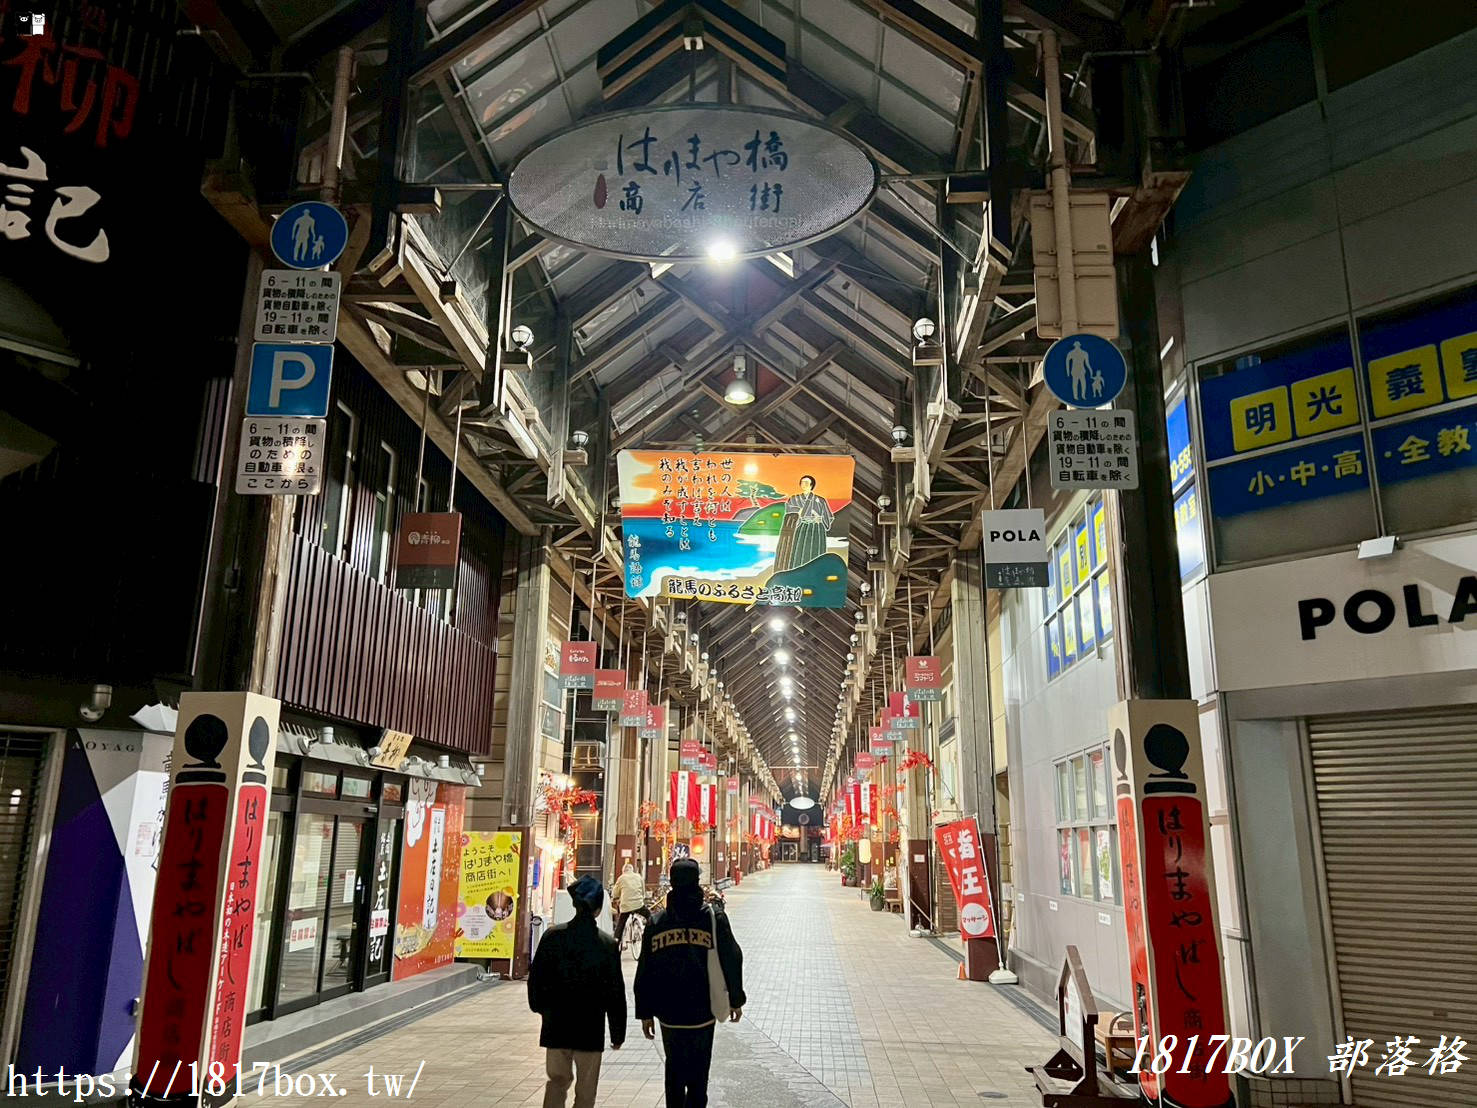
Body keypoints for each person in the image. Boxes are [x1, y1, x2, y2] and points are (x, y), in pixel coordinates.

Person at [635, 858, 746, 1108]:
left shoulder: (657, 922)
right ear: (697, 882)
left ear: (672, 884)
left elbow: (645, 969)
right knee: (699, 1072)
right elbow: (732, 957)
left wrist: (645, 1012)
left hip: (669, 1012)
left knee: (673, 1068)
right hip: (702, 1010)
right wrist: (735, 999)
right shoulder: (713, 918)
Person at [526, 877, 626, 1108]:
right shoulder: (607, 945)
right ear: (599, 908)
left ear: (574, 904)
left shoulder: (552, 937)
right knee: (586, 1091)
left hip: (556, 1025)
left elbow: (536, 980)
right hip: (590, 1029)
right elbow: (615, 993)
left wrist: (541, 1009)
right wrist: (617, 1032)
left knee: (557, 1082)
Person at [772, 474, 834, 573]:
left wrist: (820, 518)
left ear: (811, 485)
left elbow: (828, 516)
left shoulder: (820, 500)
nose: (803, 484)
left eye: (806, 482)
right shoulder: (794, 499)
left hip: (815, 529)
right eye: (802, 482)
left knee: (814, 551)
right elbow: (789, 510)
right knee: (798, 550)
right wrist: (800, 511)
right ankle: (796, 570)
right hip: (800, 528)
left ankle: (815, 571)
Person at [613, 861, 648, 945]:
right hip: (639, 905)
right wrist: (642, 897)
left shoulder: (621, 878)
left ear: (623, 871)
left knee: (621, 923)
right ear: (632, 870)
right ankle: (648, 933)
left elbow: (615, 893)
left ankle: (616, 942)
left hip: (626, 907)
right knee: (649, 916)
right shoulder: (638, 877)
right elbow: (643, 892)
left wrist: (615, 898)